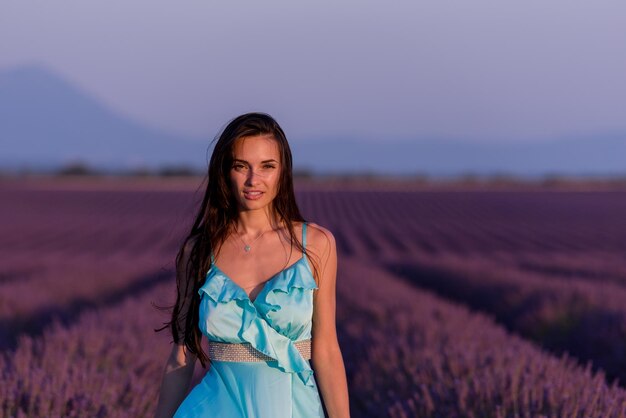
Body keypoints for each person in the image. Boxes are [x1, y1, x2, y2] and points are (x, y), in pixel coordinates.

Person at [154, 112, 350, 417]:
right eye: (240, 166)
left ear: (283, 171)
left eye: (267, 167)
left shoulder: (317, 245)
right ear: (225, 171)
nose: (252, 180)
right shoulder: (199, 249)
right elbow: (182, 354)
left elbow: (326, 351)